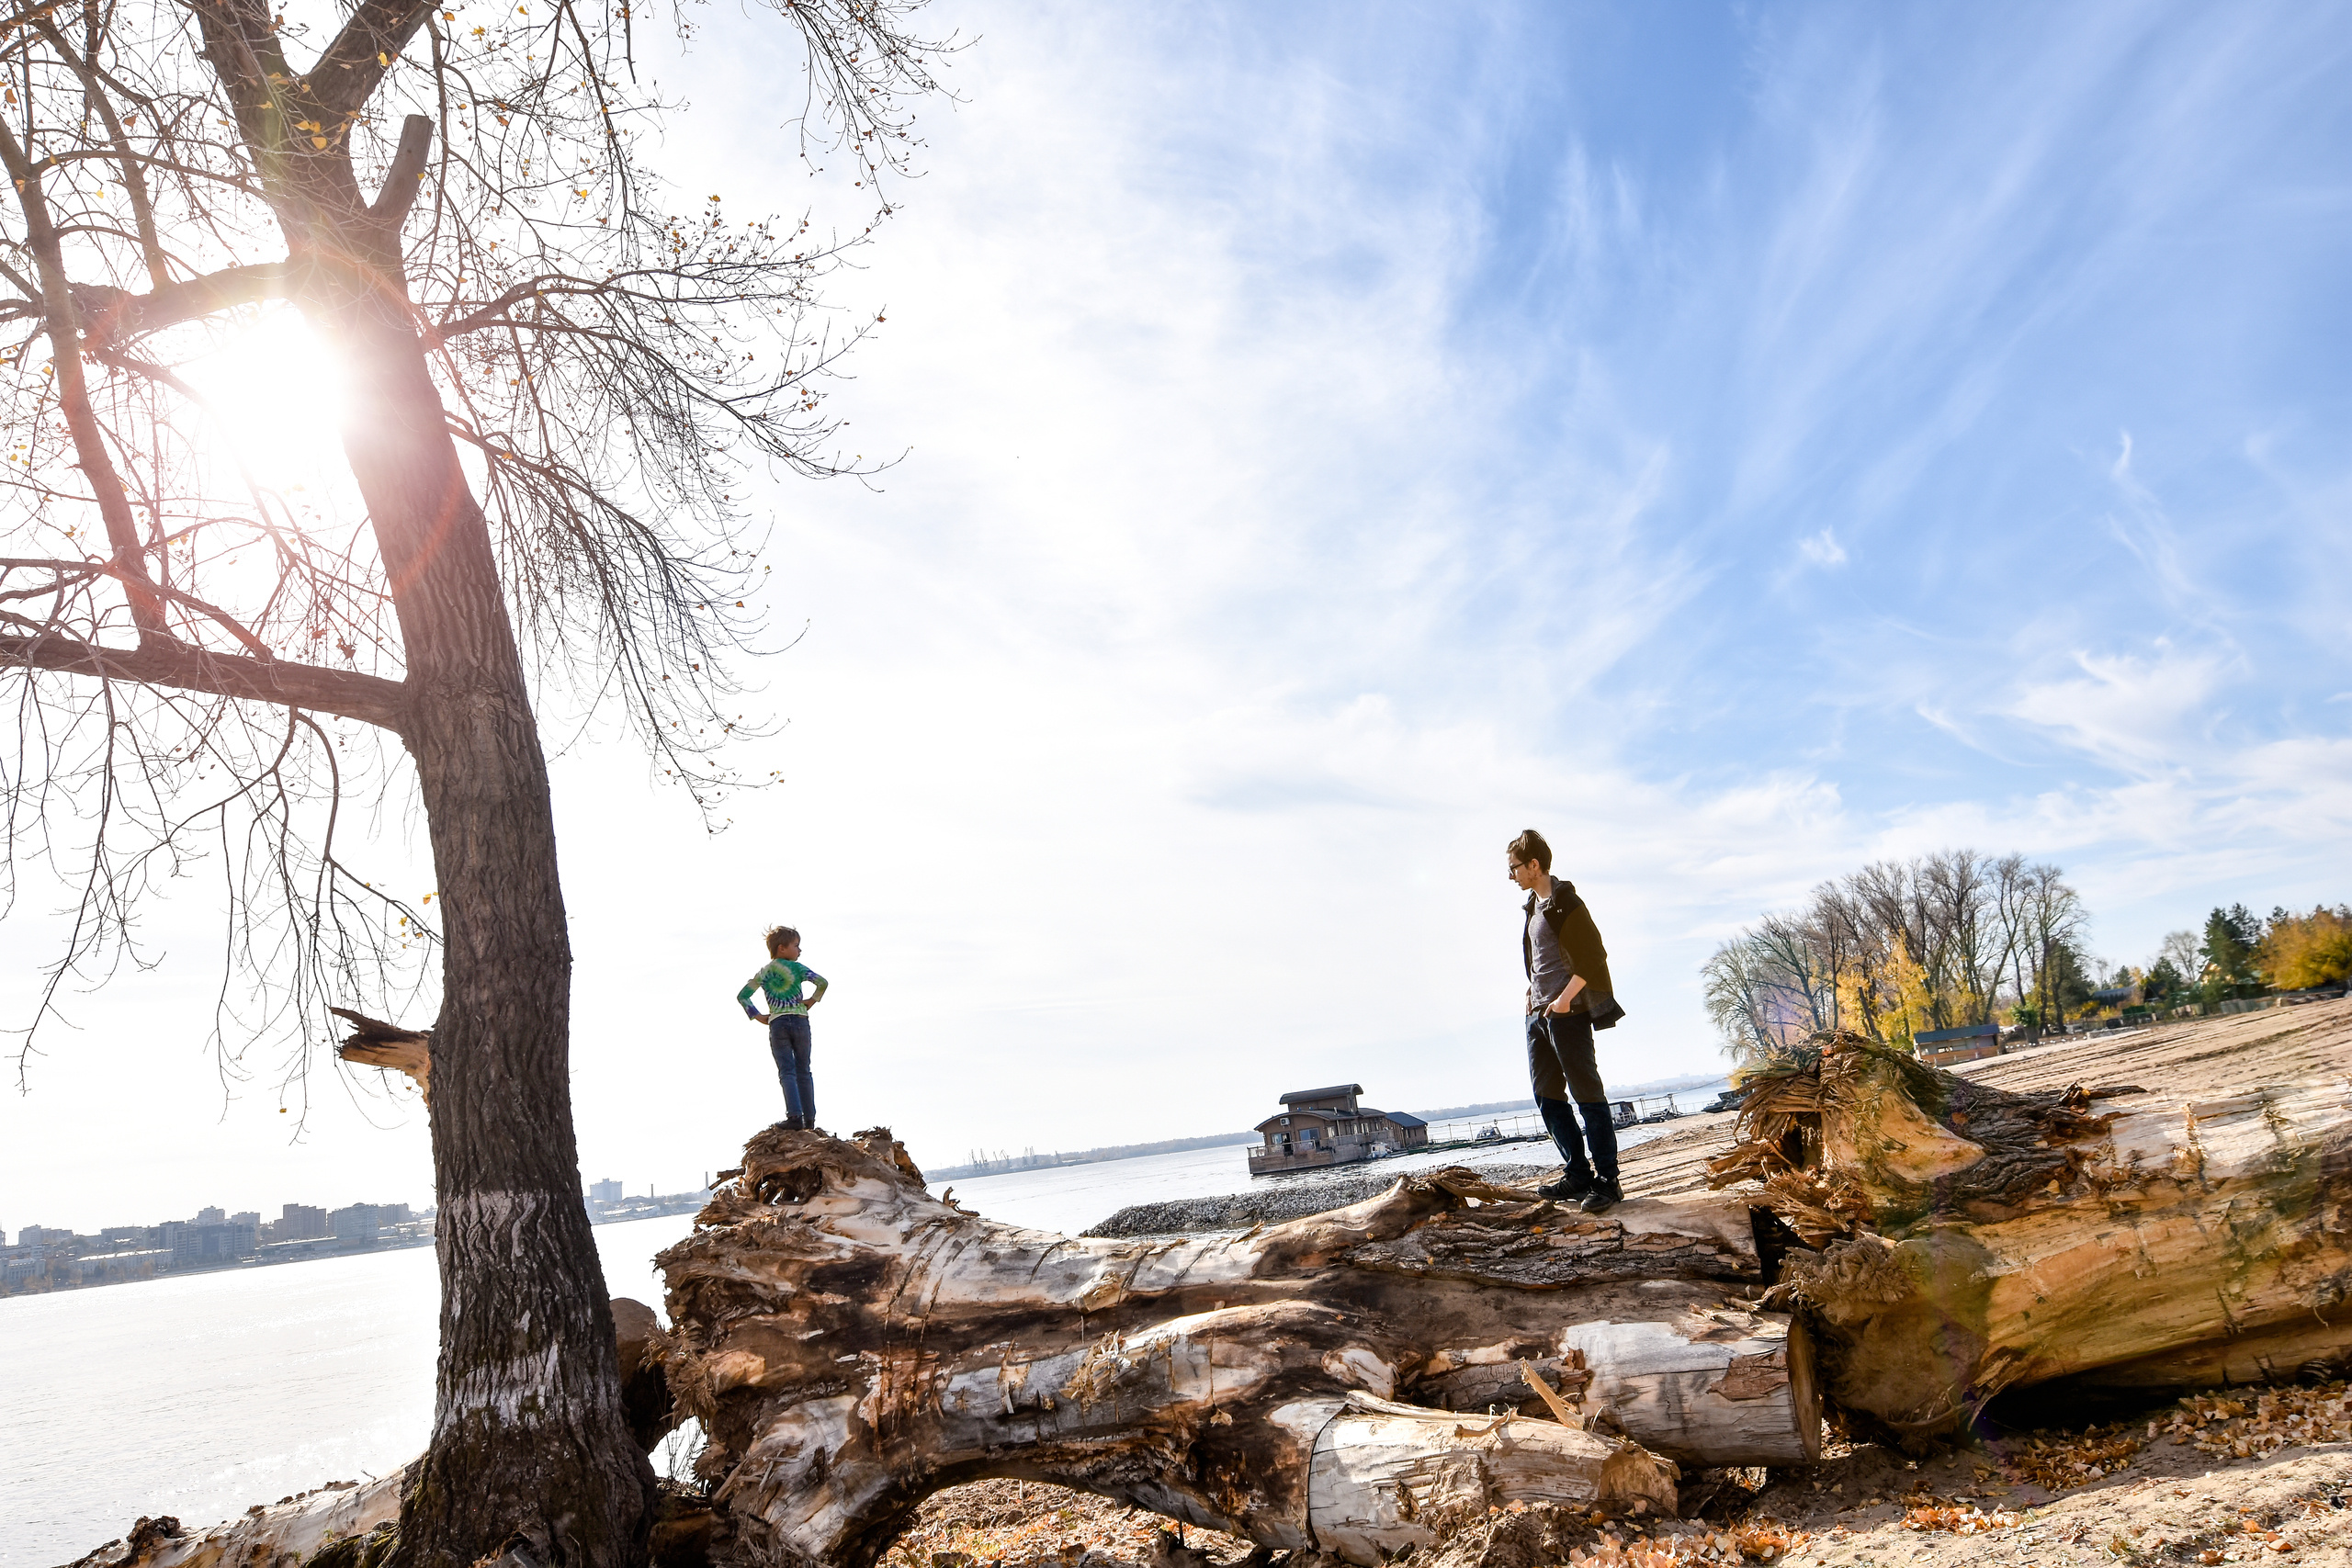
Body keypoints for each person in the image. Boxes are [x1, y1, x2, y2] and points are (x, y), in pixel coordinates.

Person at [1507, 829, 1628, 1213]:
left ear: (1534, 865)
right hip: (1538, 1015)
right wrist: (1532, 992)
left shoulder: (1566, 903)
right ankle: (1578, 1174)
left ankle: (1608, 1181)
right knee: (1547, 1096)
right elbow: (1540, 959)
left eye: (1514, 868)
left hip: (1566, 1014)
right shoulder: (1532, 906)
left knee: (1588, 1096)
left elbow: (1594, 958)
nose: (1511, 875)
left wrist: (1562, 1001)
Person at [738, 925, 829, 1131]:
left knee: (787, 1072)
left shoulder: (764, 972)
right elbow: (822, 982)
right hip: (800, 1021)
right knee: (804, 1071)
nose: (799, 950)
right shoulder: (797, 968)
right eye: (796, 946)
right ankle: (810, 1120)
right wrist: (812, 1001)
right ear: (782, 948)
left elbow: (742, 996)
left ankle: (794, 1116)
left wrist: (758, 1016)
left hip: (778, 1024)